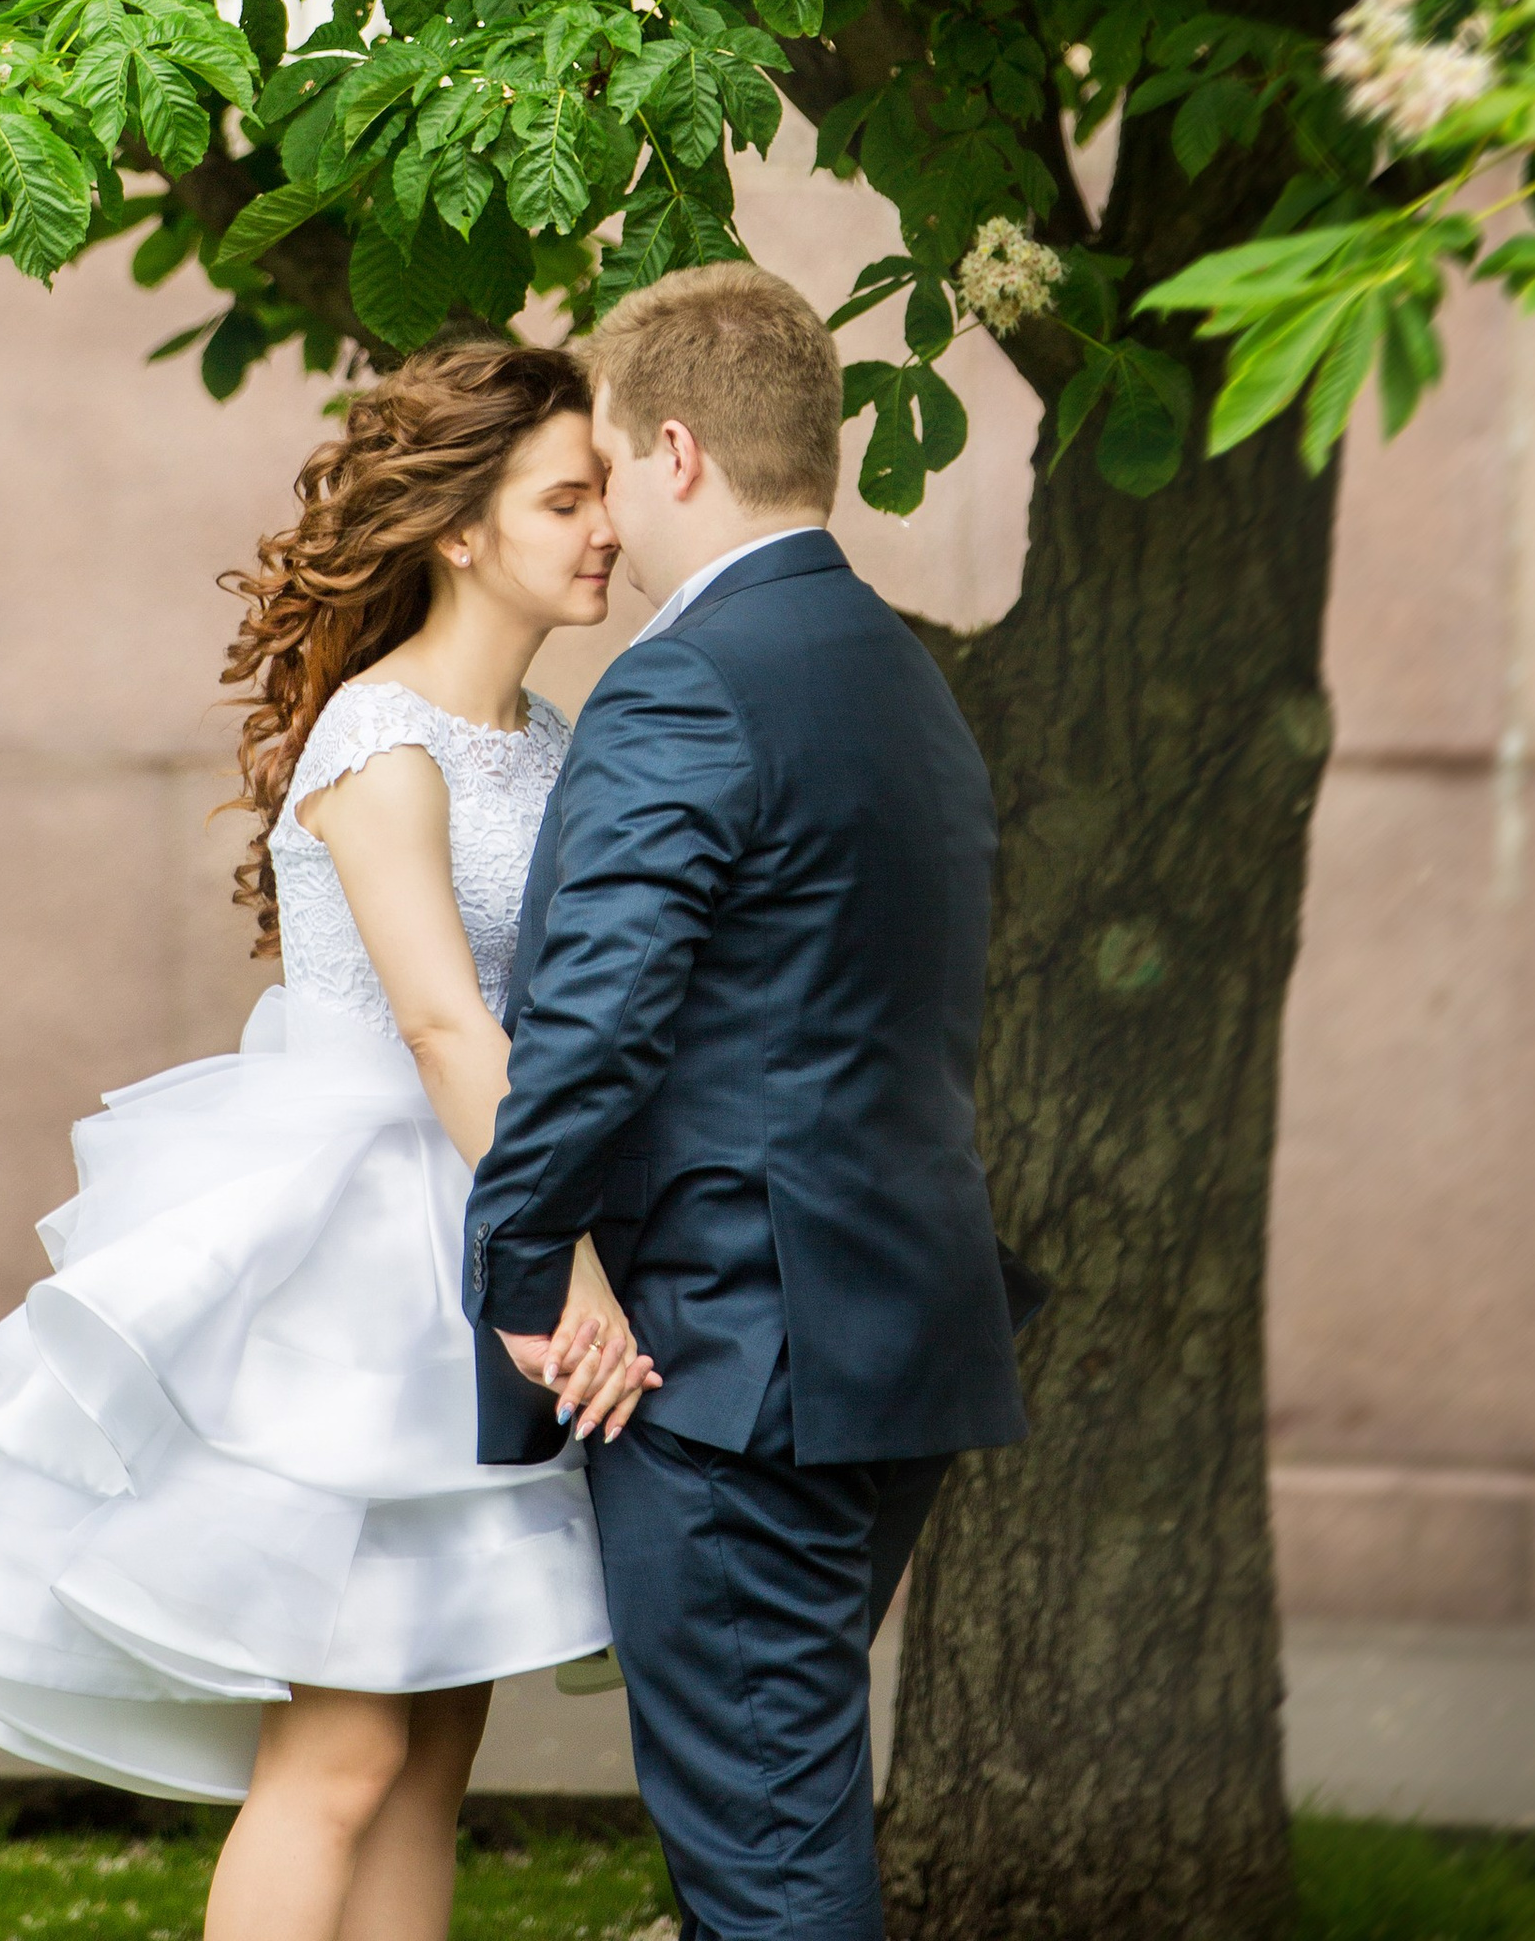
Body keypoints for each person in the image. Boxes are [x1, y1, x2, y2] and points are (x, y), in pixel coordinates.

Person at [0, 340, 657, 1941]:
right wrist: (568, 1266)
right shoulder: (382, 741)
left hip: (478, 1216)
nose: (609, 526)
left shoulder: (545, 734)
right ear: (459, 527)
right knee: (342, 1753)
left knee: (434, 1753)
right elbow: (446, 1027)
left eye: (605, 493)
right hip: (369, 1265)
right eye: (567, 498)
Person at [464, 263, 1030, 1941]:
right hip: (887, 1339)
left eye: (609, 468)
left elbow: (594, 1024)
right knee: (771, 1819)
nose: (608, 519)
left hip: (734, 1364)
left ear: (678, 451)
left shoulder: (688, 681)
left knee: (771, 1863)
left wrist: (521, 1274)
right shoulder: (895, 673)